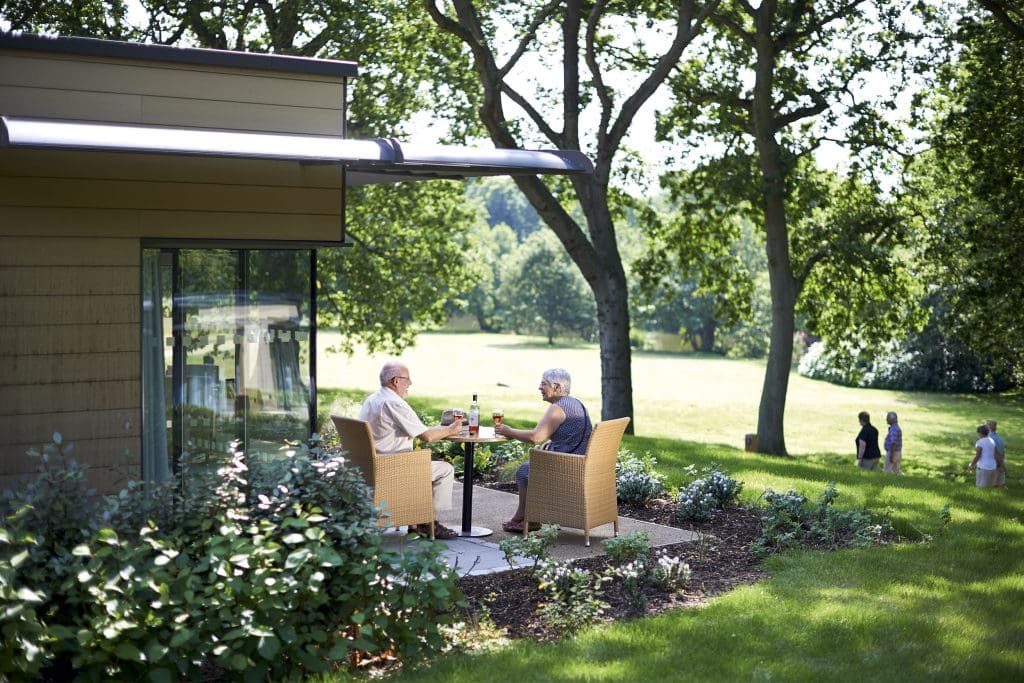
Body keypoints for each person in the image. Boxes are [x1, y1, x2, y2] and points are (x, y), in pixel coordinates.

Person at [358, 360, 464, 539]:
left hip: (371, 465)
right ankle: (428, 522)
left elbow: (417, 429)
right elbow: (427, 437)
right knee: (445, 470)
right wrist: (451, 430)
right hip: (391, 468)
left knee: (424, 465)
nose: (410, 384)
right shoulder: (394, 403)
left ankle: (415, 521)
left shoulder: (374, 398)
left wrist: (442, 429)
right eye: (407, 379)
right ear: (395, 381)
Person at [494, 368, 592, 534]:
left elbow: (535, 437)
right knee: (530, 465)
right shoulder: (576, 404)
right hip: (581, 463)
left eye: (543, 384)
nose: (539, 387)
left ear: (556, 387)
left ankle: (526, 518)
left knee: (524, 470)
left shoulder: (558, 408)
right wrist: (552, 446)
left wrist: (509, 431)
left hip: (568, 469)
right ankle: (528, 516)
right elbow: (571, 437)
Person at [968, 424, 1004, 488]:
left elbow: (977, 456)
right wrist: (1001, 466)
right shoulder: (992, 441)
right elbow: (997, 454)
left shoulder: (980, 442)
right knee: (990, 488)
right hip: (993, 468)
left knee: (981, 488)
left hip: (983, 468)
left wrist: (971, 465)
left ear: (979, 433)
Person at [986, 420, 1007, 488]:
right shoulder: (999, 437)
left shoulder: (990, 438)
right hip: (1001, 462)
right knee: (1001, 485)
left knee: (992, 486)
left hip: (995, 464)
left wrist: (999, 465)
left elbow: (996, 453)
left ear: (988, 428)